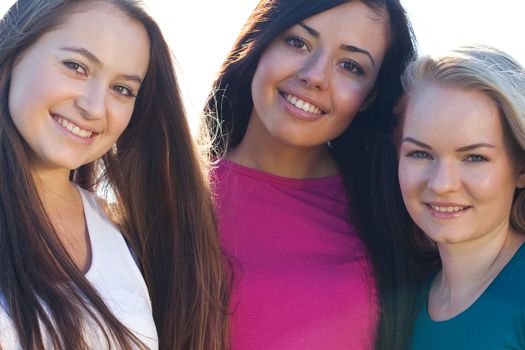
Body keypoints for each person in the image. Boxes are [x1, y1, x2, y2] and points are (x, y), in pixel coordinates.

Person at [0, 1, 228, 349]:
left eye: (122, 89)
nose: (94, 107)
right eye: (76, 66)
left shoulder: (121, 234)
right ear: (11, 58)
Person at [200, 0, 420, 348]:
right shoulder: (176, 193)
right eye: (298, 42)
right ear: (259, 42)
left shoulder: (398, 212)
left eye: (350, 66)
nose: (314, 75)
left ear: (370, 96)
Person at [395, 45, 525, 349]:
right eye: (420, 153)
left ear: (520, 167)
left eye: (475, 158)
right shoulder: (403, 303)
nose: (442, 184)